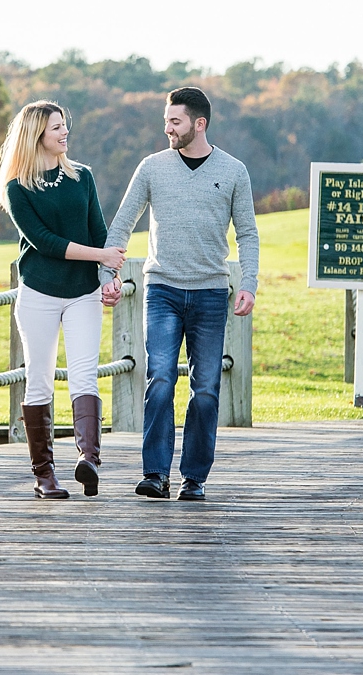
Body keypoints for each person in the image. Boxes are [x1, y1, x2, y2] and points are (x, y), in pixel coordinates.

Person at [101, 87, 258, 501]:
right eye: (166, 121)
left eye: (175, 122)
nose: (167, 128)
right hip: (163, 290)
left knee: (206, 389)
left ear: (199, 124)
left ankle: (194, 477)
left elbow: (248, 234)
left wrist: (248, 284)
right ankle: (155, 473)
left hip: (209, 294)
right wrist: (108, 272)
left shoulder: (234, 170)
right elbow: (122, 224)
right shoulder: (152, 168)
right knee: (161, 379)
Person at [0, 101, 126, 499]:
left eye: (64, 125)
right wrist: (101, 256)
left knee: (85, 374)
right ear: (37, 135)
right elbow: (45, 243)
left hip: (84, 294)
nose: (65, 133)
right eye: (56, 128)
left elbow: (99, 233)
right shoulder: (17, 187)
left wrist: (111, 276)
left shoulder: (82, 177)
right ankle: (44, 475)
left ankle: (89, 457)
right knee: (39, 380)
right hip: (38, 293)